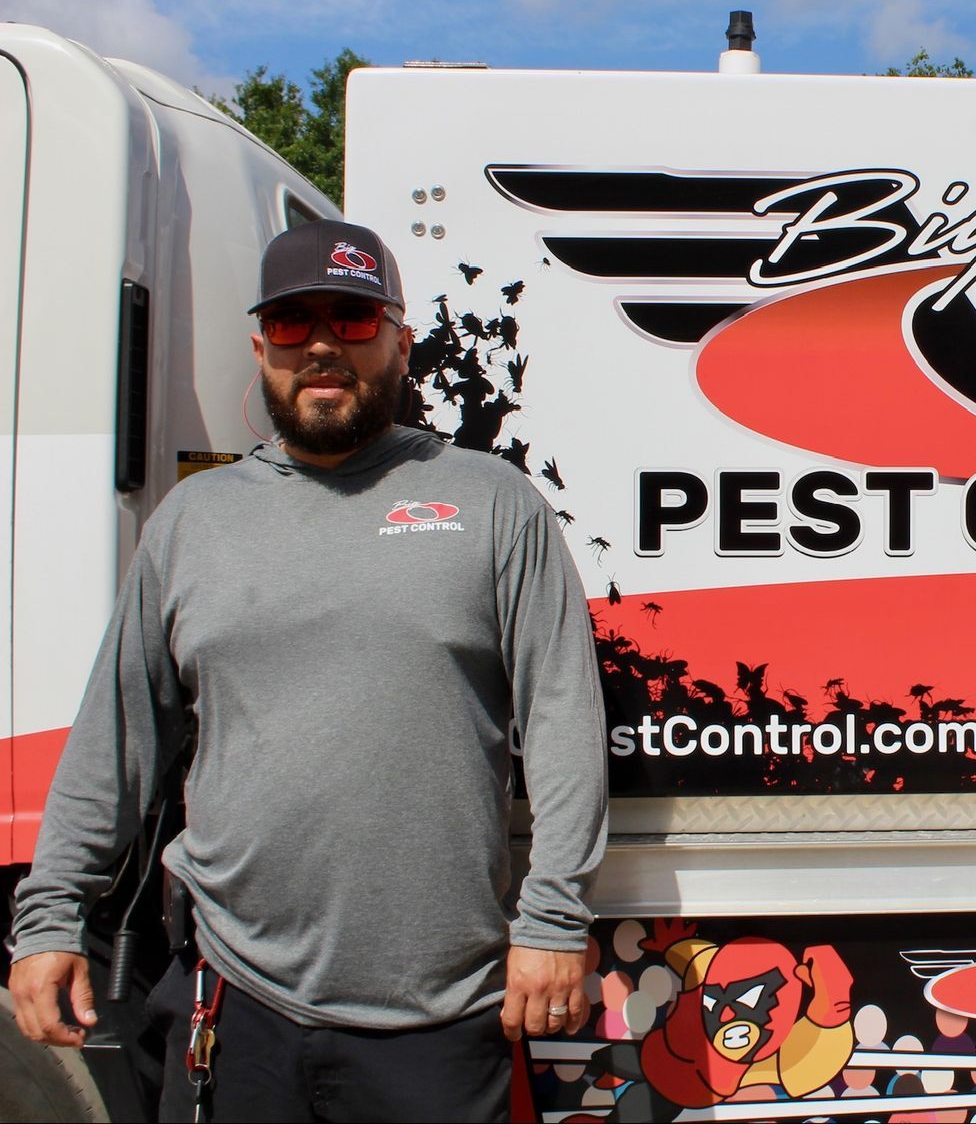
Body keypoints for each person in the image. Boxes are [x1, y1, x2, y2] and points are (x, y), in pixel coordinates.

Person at [6, 219, 608, 1121]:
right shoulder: (192, 521)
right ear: (261, 348)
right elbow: (116, 738)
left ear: (401, 342)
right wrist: (50, 917)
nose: (324, 343)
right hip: (233, 1002)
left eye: (354, 319)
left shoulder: (491, 503)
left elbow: (564, 721)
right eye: (293, 322)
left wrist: (555, 919)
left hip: (439, 1016)